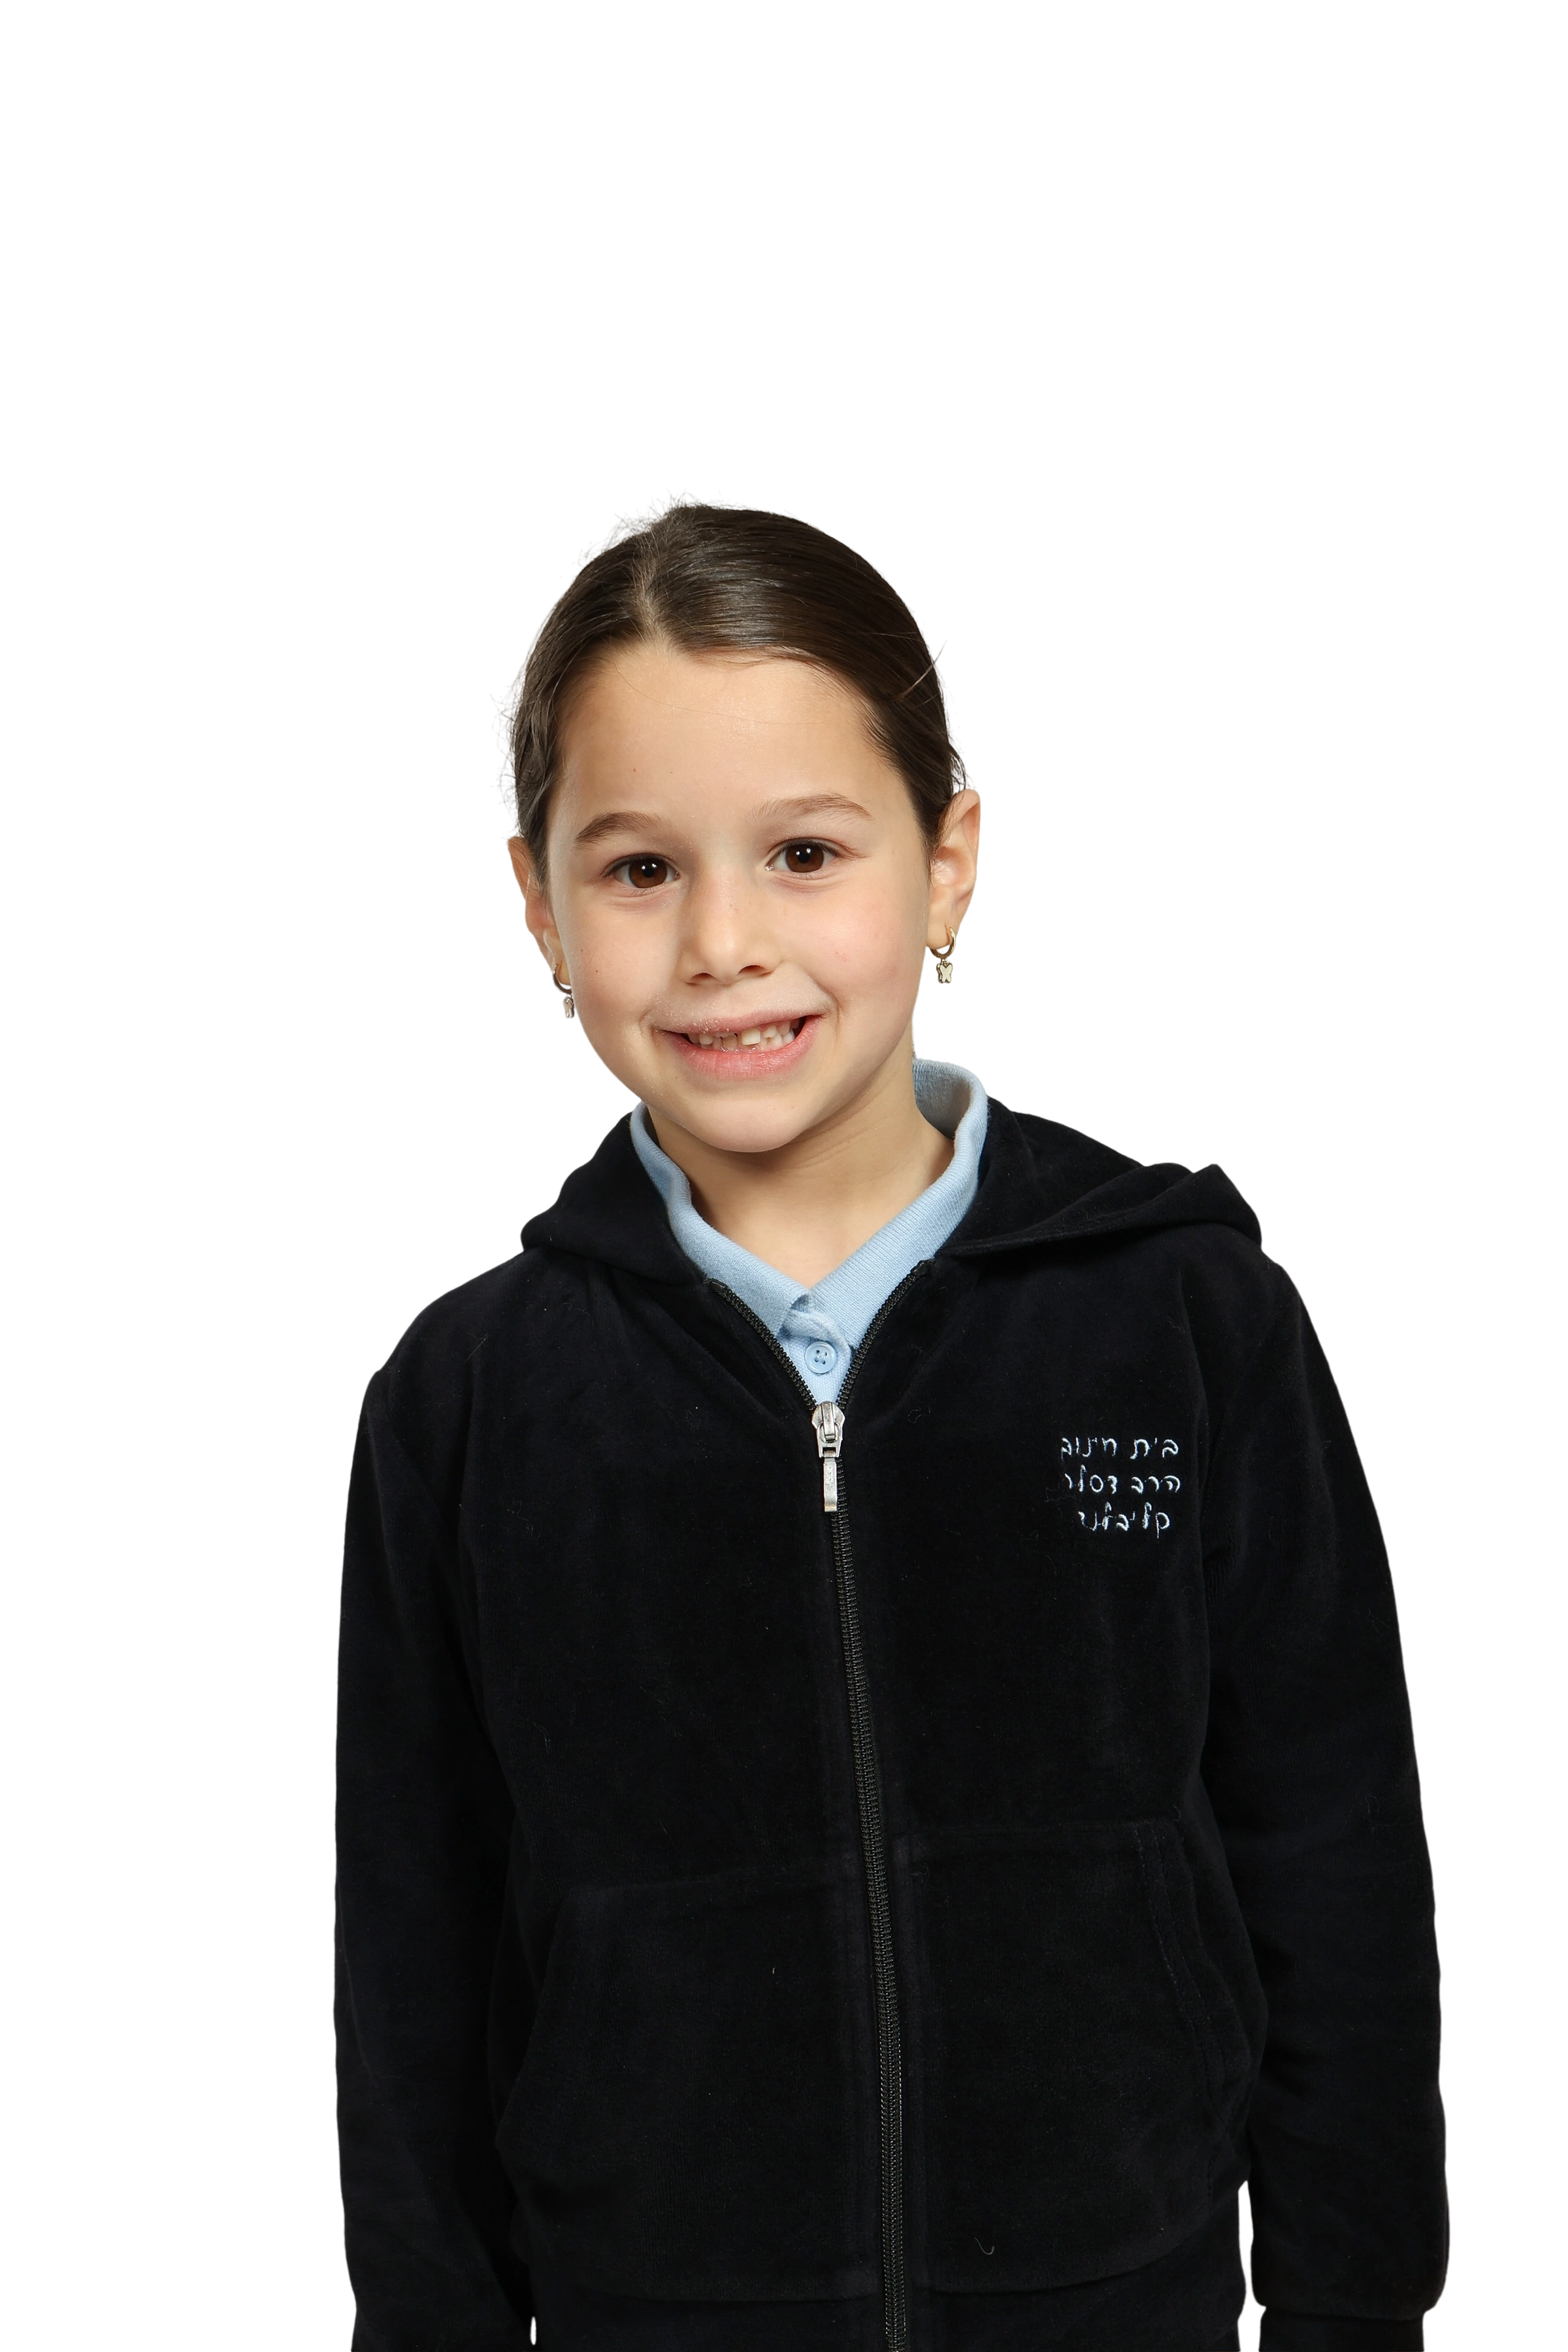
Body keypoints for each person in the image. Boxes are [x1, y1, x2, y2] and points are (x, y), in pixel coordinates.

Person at [333, 488, 1448, 2352]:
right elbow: (411, 1960)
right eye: (640, 869)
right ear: (538, 904)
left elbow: (1334, 1850)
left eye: (804, 853)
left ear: (946, 862)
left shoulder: (1188, 1318)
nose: (724, 942)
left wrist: (1354, 2309)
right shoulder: (464, 1400)